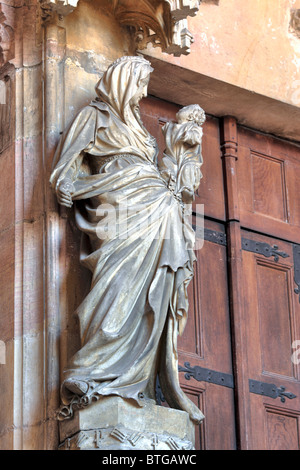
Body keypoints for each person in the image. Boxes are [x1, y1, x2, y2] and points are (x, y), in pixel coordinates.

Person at [50, 55, 204, 424]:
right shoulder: (95, 116)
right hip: (118, 209)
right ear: (123, 81)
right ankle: (94, 370)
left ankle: (136, 377)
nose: (145, 92)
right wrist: (66, 185)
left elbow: (159, 172)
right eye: (140, 83)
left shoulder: (139, 126)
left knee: (156, 287)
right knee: (117, 286)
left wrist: (180, 152)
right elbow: (67, 165)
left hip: (157, 210)